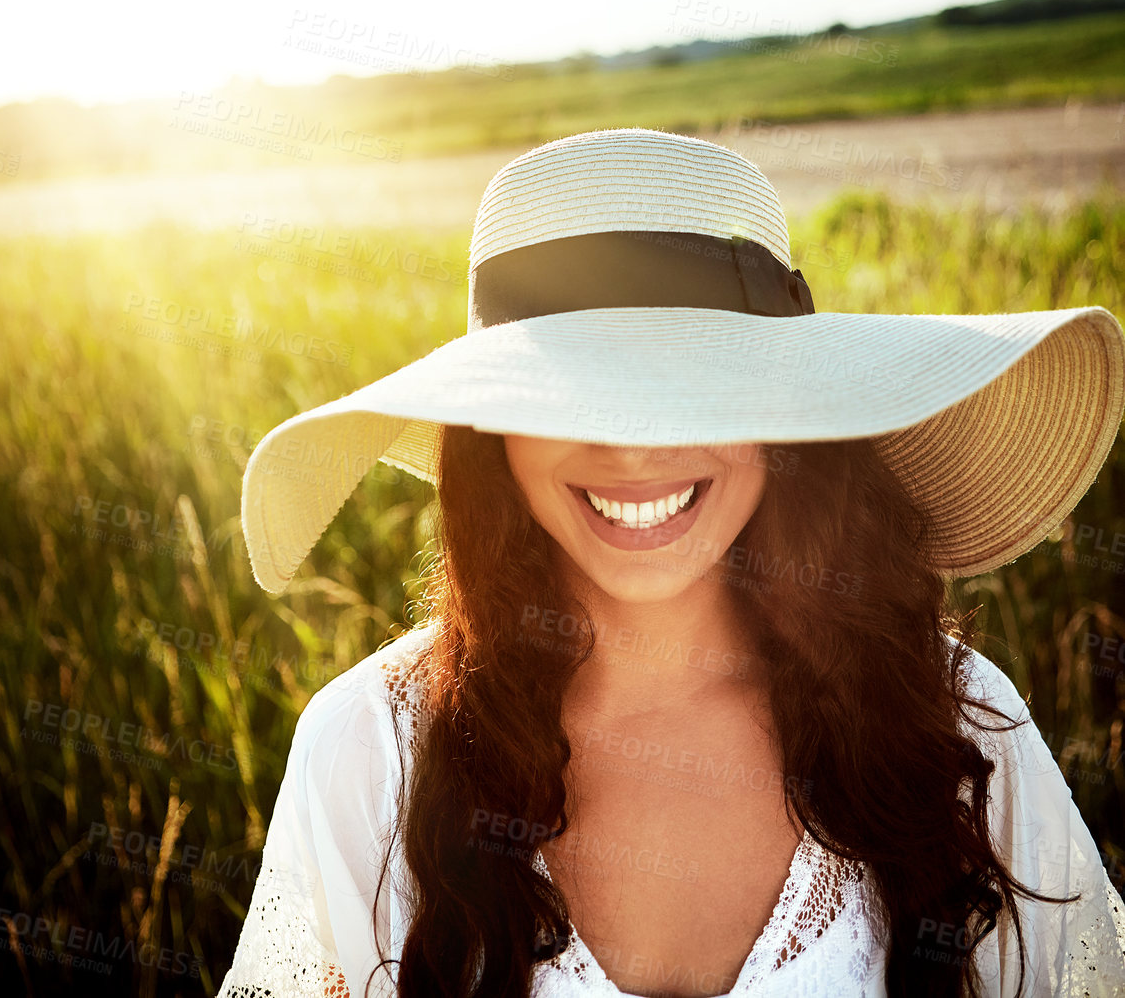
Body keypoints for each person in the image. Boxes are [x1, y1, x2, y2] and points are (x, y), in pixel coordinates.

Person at [218, 128, 1125, 997]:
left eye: (700, 383)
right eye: (570, 393)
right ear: (491, 428)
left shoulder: (953, 722)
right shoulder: (368, 753)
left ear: (785, 414)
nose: (634, 450)